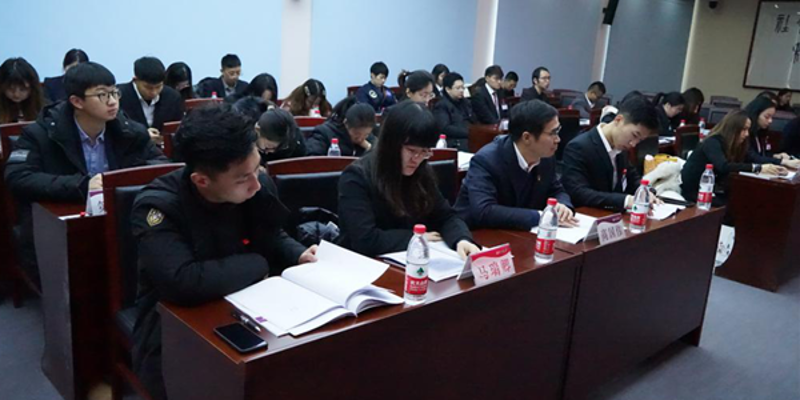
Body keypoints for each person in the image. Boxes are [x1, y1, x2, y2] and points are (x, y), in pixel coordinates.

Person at [131, 103, 317, 400]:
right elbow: (183, 281)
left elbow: (271, 233)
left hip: (252, 308)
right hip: (175, 327)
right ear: (201, 181)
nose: (257, 184)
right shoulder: (158, 206)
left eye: (257, 168)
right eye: (243, 178)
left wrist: (297, 254)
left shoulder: (255, 182)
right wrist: (258, 264)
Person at [4, 61, 166, 286]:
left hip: (119, 221)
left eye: (114, 92)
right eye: (102, 95)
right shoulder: (40, 133)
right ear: (77, 101)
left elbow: (161, 165)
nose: (112, 101)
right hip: (65, 226)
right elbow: (17, 177)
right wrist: (83, 185)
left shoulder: (128, 130)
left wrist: (124, 183)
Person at [337, 101, 480, 257]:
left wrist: (461, 239)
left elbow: (446, 216)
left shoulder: (421, 172)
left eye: (424, 152)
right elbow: (365, 240)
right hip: (364, 263)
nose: (416, 159)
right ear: (391, 144)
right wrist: (415, 238)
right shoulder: (357, 177)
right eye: (411, 150)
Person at [454, 100, 576, 230]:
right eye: (552, 133)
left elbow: (556, 190)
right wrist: (542, 217)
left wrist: (562, 205)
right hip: (480, 233)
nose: (558, 139)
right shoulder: (487, 160)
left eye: (558, 131)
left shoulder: (545, 156)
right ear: (527, 137)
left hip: (522, 232)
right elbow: (484, 210)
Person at [562, 97, 662, 211]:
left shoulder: (621, 145)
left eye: (640, 140)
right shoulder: (579, 147)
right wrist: (624, 200)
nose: (633, 144)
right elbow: (578, 192)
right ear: (618, 120)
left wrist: (645, 191)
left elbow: (632, 177)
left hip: (613, 216)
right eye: (634, 135)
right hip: (588, 214)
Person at [681, 110, 787, 205]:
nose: (747, 134)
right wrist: (757, 168)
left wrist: (777, 166)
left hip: (716, 189)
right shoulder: (713, 142)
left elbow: (753, 158)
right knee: (739, 204)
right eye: (744, 129)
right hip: (697, 191)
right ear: (733, 129)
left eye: (748, 129)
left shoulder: (737, 144)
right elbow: (724, 166)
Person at [118, 56, 184, 138]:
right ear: (135, 80)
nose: (154, 92)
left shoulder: (172, 97)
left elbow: (177, 128)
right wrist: (143, 135)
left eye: (158, 87)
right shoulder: (118, 96)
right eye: (148, 87)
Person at [306, 97, 376, 157]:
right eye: (356, 134)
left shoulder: (368, 139)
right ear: (346, 124)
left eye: (366, 135)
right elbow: (312, 160)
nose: (360, 139)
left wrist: (370, 148)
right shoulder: (324, 132)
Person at [744, 96, 800, 168]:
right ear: (755, 114)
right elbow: (753, 157)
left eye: (771, 117)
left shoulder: (760, 132)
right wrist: (782, 162)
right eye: (767, 117)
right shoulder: (744, 132)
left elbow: (762, 154)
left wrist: (775, 156)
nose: (770, 121)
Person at [432, 72, 475, 151]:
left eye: (463, 87)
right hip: (454, 141)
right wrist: (468, 133)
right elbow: (445, 128)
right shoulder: (442, 105)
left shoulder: (466, 103)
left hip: (470, 137)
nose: (461, 90)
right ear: (448, 89)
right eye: (458, 88)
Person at [0, 57, 46, 124]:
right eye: (11, 89)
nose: (16, 94)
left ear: (33, 88)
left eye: (22, 89)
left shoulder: (44, 109)